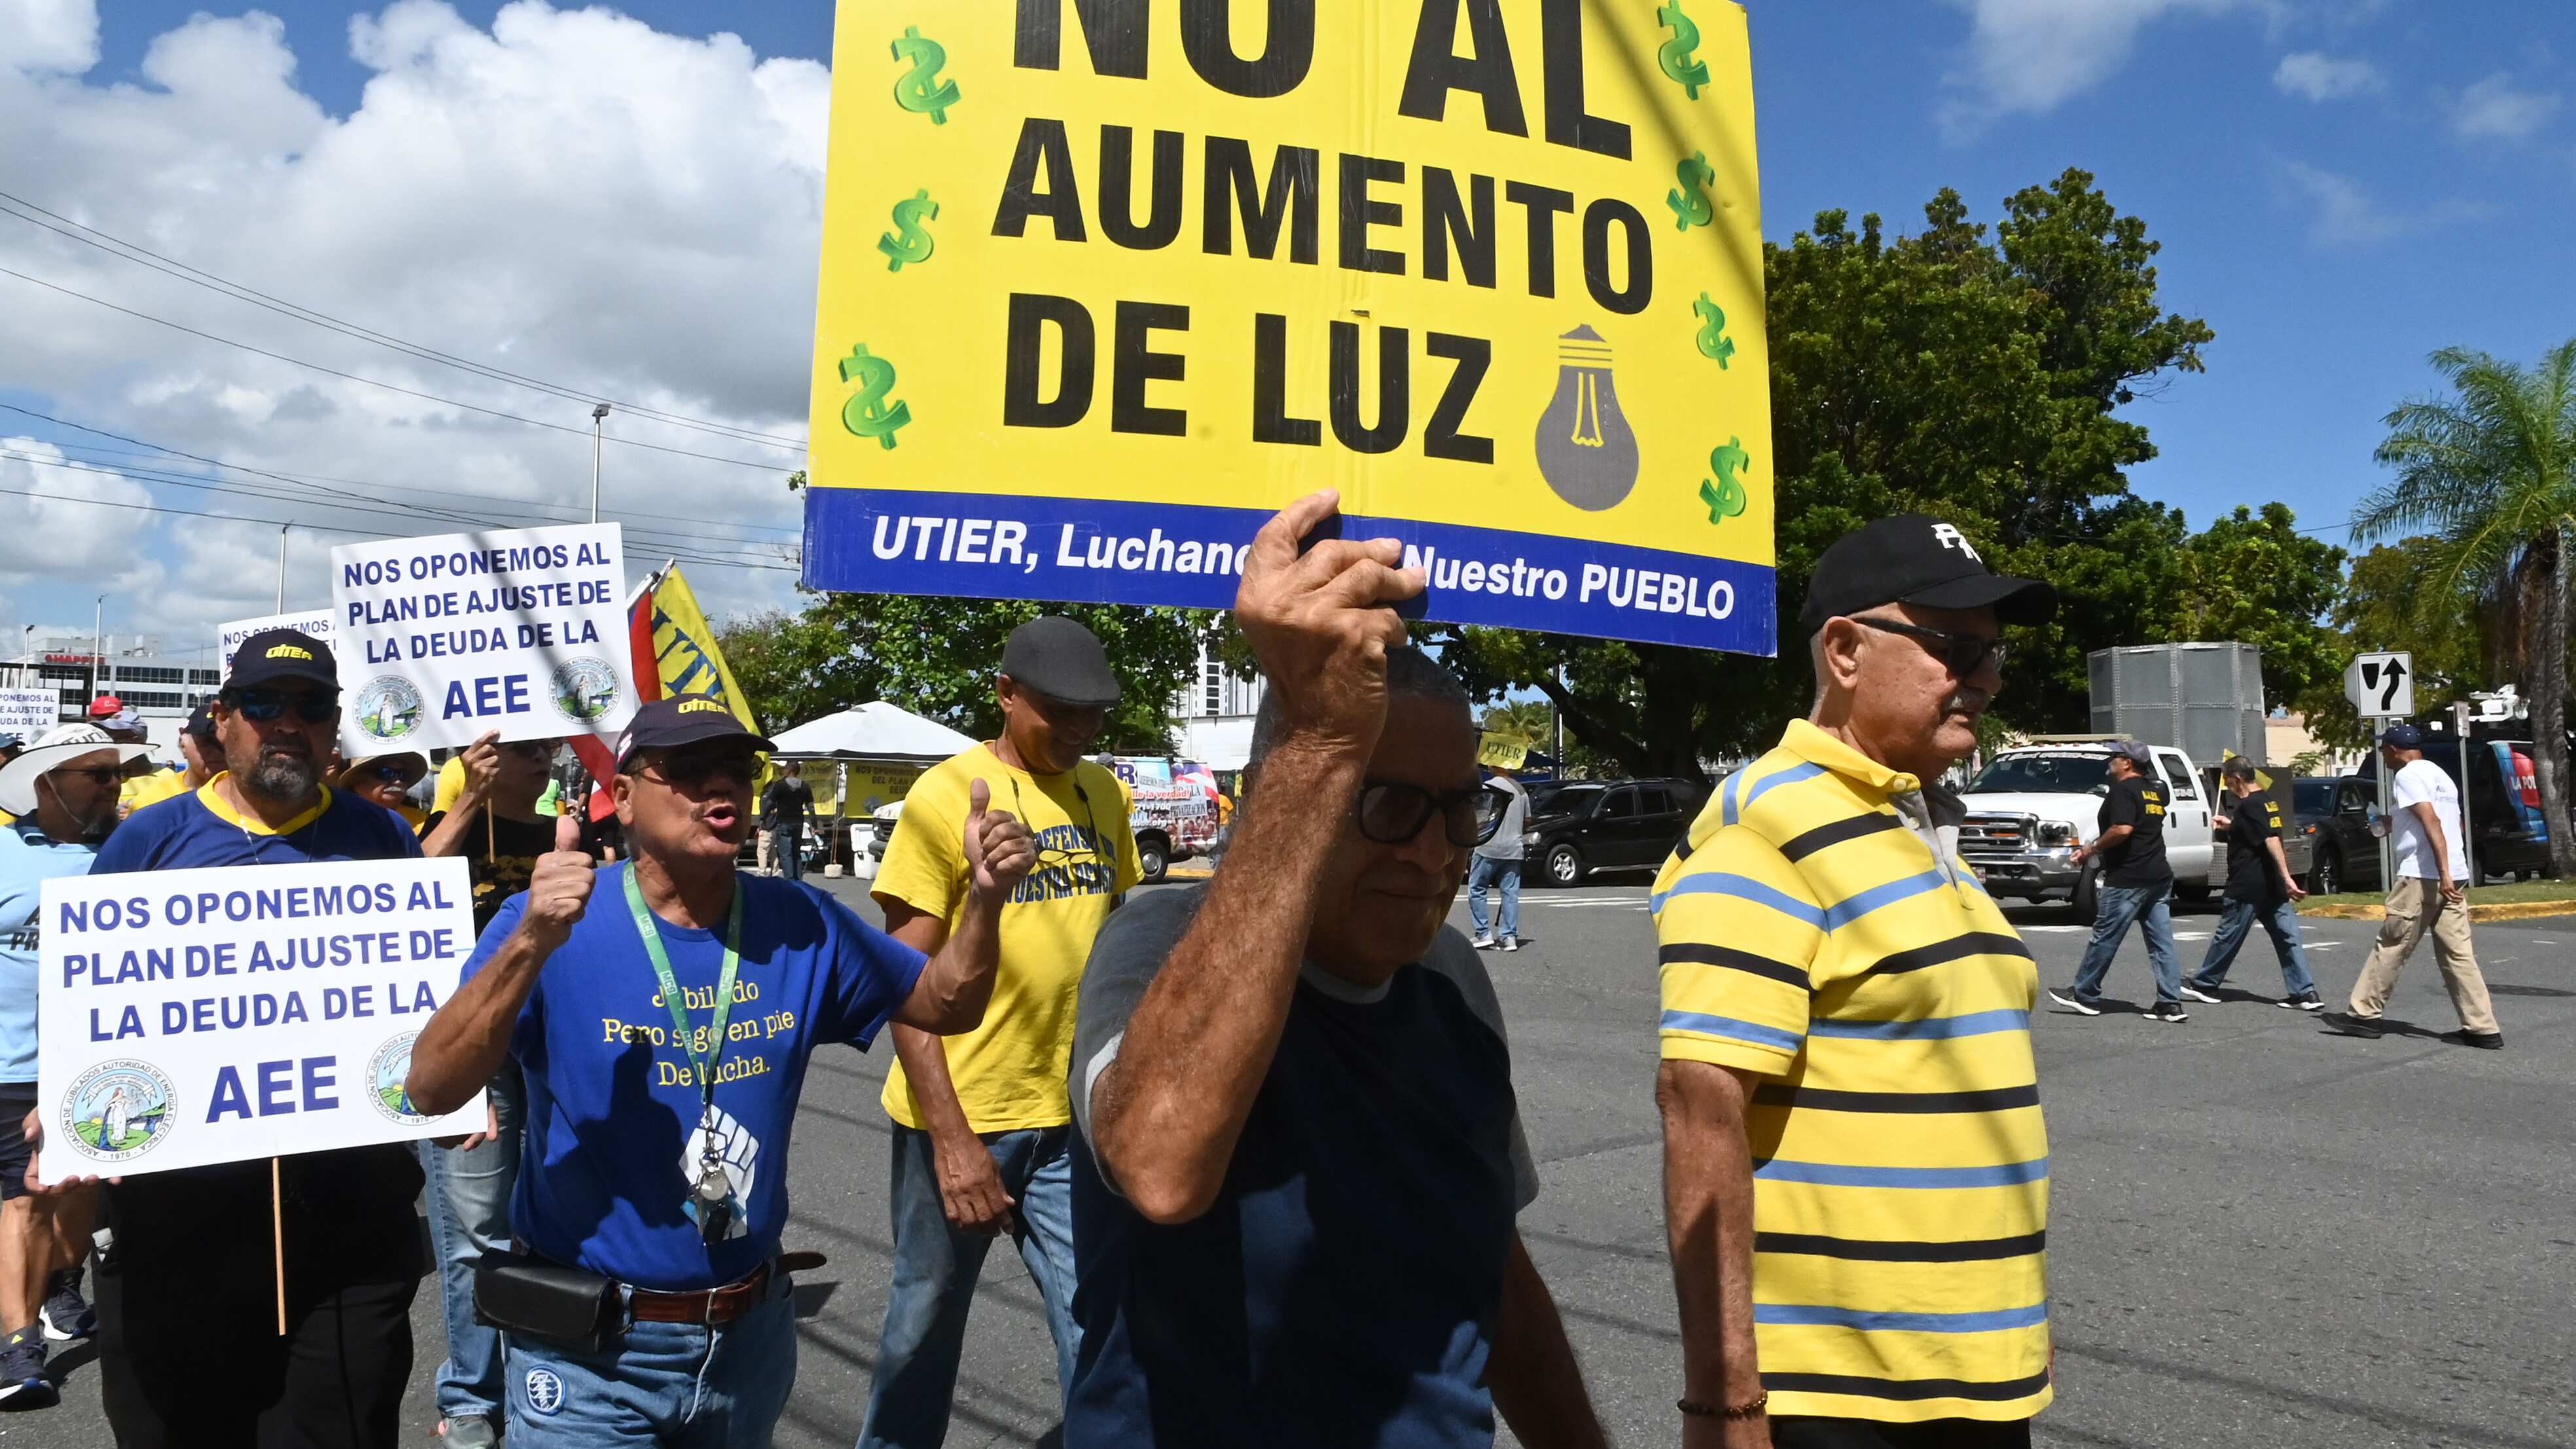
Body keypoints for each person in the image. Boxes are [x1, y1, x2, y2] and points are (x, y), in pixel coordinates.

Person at [1067, 494, 1605, 1448]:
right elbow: (1157, 1162)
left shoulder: (1450, 977)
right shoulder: (1159, 937)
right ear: (1292, 788)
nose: (1433, 852)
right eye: (1387, 803)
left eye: (1457, 806)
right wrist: (1322, 738)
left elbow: (1492, 1265)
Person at [403, 694, 1036, 1446]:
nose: (722, 786)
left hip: (748, 1339)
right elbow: (431, 1089)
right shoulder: (546, 920)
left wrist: (986, 902)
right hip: (589, 1355)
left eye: (737, 768)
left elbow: (945, 1004)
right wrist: (530, 943)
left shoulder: (802, 919)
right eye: (691, 768)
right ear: (627, 798)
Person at [1656, 514, 2058, 1447]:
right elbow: (1700, 1109)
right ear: (1843, 650)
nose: (1987, 680)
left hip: (1970, 1372)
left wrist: (2010, 1322)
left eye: (1995, 657)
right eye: (1957, 649)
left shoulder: (1905, 820)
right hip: (1843, 1398)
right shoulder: (1767, 826)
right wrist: (1726, 1398)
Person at [31, 628, 429, 1446]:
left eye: (311, 705)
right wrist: (59, 1099)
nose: (287, 722)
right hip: (176, 1216)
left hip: (347, 1214)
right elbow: (88, 998)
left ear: (334, 723)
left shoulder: (383, 838)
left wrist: (444, 1085)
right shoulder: (150, 839)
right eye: (262, 703)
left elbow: (422, 1000)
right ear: (224, 718)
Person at [859, 616, 1142, 1449]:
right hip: (962, 1111)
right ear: (1007, 695)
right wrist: (953, 1142)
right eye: (1062, 711)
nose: (1082, 730)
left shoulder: (1103, 792)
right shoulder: (946, 797)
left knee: (1098, 1315)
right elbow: (902, 985)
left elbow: (1115, 941)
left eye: (1095, 715)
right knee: (926, 1319)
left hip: (1071, 1113)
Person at [410, 730, 569, 1449]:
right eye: (526, 751)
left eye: (549, 752)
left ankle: (547, 1376)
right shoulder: (445, 830)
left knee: (556, 1219)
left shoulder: (568, 834)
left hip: (552, 1043)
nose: (543, 762)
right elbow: (397, 891)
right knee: (476, 1227)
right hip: (468, 1050)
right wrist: (469, 798)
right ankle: (473, 1394)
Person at [0, 724, 150, 1406]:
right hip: (12, 1062)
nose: (115, 786)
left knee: (77, 1193)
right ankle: (17, 1343)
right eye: (98, 775)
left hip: (96, 1059)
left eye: (117, 775)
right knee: (24, 1198)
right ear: (48, 783)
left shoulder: (129, 852)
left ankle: (62, 1285)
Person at [2333, 724, 2502, 1048]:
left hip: (2423, 877)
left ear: (2396, 749)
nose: (2382, 755)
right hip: (2453, 873)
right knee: (2458, 954)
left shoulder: (2407, 776)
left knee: (2393, 943)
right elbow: (2451, 821)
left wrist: (2442, 873)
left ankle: (2364, 1015)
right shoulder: (2439, 775)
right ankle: (2482, 1028)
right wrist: (2387, 824)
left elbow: (2431, 822)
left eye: (2384, 750)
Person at [2048, 742, 2188, 1022]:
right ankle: (2170, 1003)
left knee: (2105, 937)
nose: (2110, 760)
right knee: (2162, 943)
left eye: (2115, 756)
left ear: (2128, 763)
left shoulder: (2124, 790)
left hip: (2129, 877)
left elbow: (2123, 829)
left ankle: (2085, 994)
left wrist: (2091, 849)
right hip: (2158, 875)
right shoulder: (2153, 791)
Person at [2180, 759, 2321, 1011]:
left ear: (2237, 778)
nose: (2227, 784)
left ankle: (2205, 984)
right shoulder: (2267, 801)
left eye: (2227, 779)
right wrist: (2231, 825)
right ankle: (2304, 993)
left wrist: (2288, 879)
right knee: (2288, 938)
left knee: (2228, 936)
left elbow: (2271, 840)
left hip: (2248, 885)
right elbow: (2260, 830)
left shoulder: (2249, 806)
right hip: (2270, 887)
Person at [118, 703, 217, 818]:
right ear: (183, 744)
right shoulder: (152, 800)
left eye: (226, 742)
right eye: (207, 743)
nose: (217, 752)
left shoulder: (242, 801)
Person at [1470, 766, 1529, 951]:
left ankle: (1483, 933)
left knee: (1477, 888)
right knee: (1510, 893)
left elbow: (1477, 816)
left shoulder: (1486, 788)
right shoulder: (1520, 790)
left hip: (1488, 847)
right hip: (1513, 849)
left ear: (1493, 766)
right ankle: (1509, 936)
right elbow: (1527, 821)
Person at [337, 750, 431, 828]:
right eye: (386, 773)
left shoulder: (423, 821)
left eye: (404, 774)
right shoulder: (338, 823)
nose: (398, 782)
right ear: (357, 781)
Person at [760, 764, 814, 882]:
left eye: (784, 769)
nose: (783, 771)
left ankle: (789, 881)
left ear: (789, 770)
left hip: (784, 822)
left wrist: (763, 816)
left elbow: (770, 802)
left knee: (785, 854)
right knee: (796, 853)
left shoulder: (781, 785)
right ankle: (798, 881)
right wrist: (814, 824)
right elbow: (811, 807)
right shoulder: (805, 786)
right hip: (799, 823)